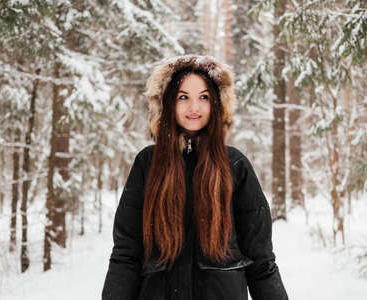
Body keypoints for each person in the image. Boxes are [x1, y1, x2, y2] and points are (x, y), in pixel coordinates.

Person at [101, 54, 288, 300]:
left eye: (204, 97)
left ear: (216, 104)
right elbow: (126, 254)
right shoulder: (148, 163)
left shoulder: (236, 165)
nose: (194, 108)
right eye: (183, 97)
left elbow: (261, 259)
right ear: (168, 103)